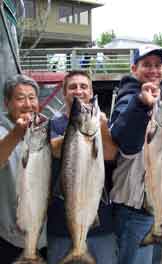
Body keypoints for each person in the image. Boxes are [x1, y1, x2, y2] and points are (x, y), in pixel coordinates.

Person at [47, 70, 118, 264]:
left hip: (100, 221)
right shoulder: (53, 124)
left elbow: (111, 154)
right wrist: (76, 129)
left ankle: (80, 247)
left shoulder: (103, 125)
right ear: (64, 93)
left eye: (83, 86)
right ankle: (78, 248)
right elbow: (53, 149)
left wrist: (100, 127)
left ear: (91, 91)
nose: (78, 91)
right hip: (60, 224)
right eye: (72, 87)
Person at [109, 45, 162, 264]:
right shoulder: (128, 99)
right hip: (133, 208)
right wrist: (141, 105)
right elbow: (121, 136)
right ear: (134, 69)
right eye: (147, 65)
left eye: (158, 65)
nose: (153, 70)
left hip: (153, 208)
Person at [0, 74, 47, 263]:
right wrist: (16, 134)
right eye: (20, 98)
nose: (27, 104)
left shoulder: (44, 129)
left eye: (32, 97)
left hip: (44, 237)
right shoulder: (4, 131)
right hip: (9, 236)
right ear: (7, 103)